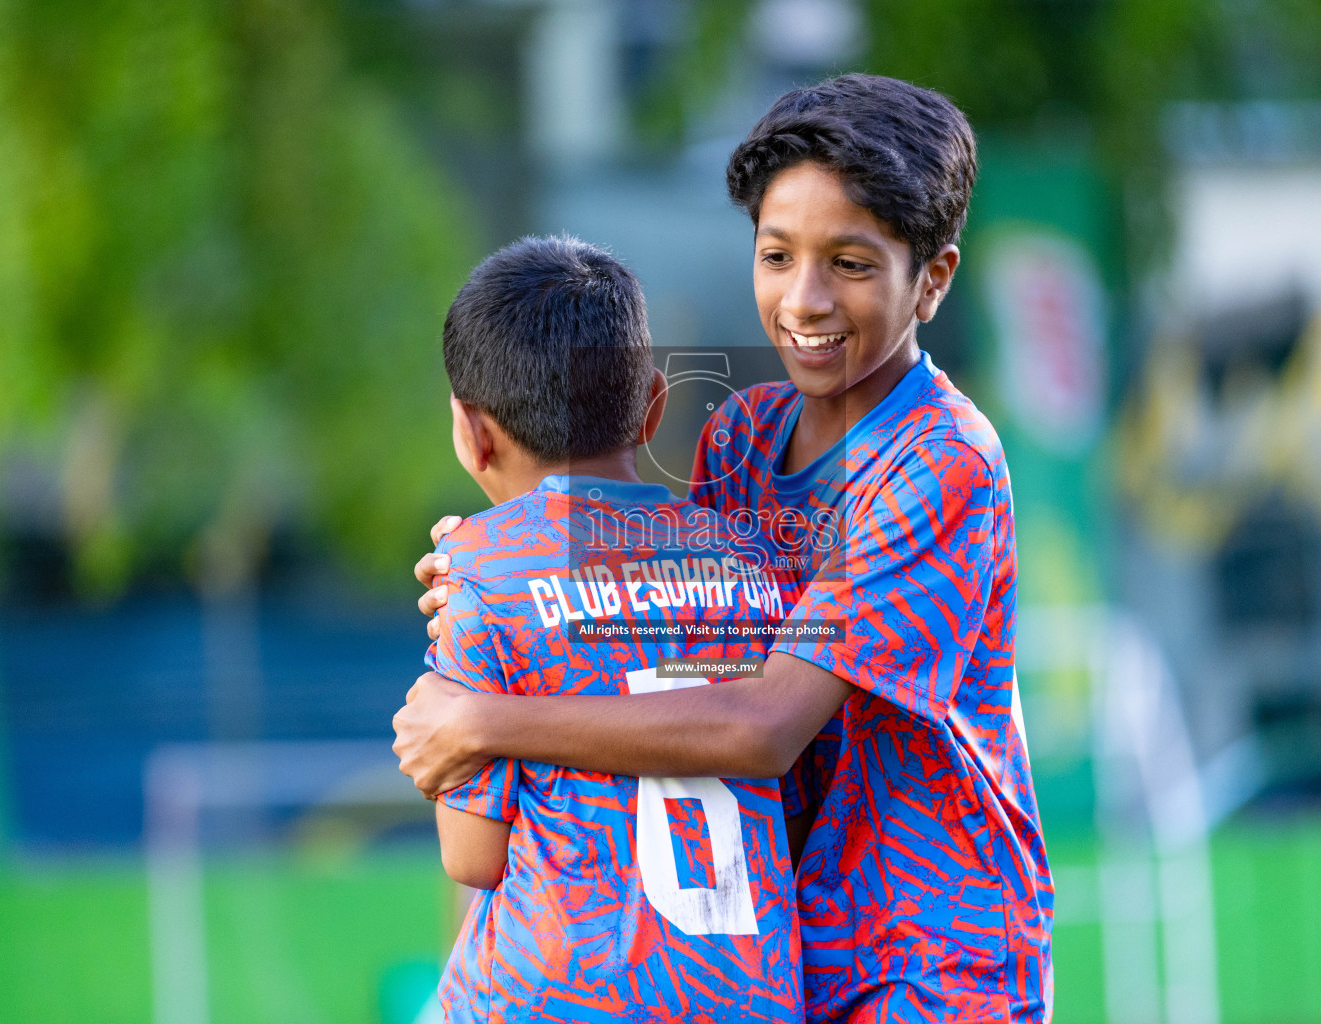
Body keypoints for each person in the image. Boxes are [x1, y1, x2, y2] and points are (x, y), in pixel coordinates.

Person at [398, 75, 1053, 1023]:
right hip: (775, 957)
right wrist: (495, 566)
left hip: (931, 964)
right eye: (777, 254)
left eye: (852, 264)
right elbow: (673, 635)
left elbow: (760, 726)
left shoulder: (943, 460)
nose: (805, 298)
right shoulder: (742, 434)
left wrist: (481, 720)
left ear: (934, 280)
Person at [407, 235, 804, 1023]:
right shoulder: (758, 559)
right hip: (750, 998)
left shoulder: (476, 572)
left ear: (470, 429)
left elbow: (472, 857)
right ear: (653, 406)